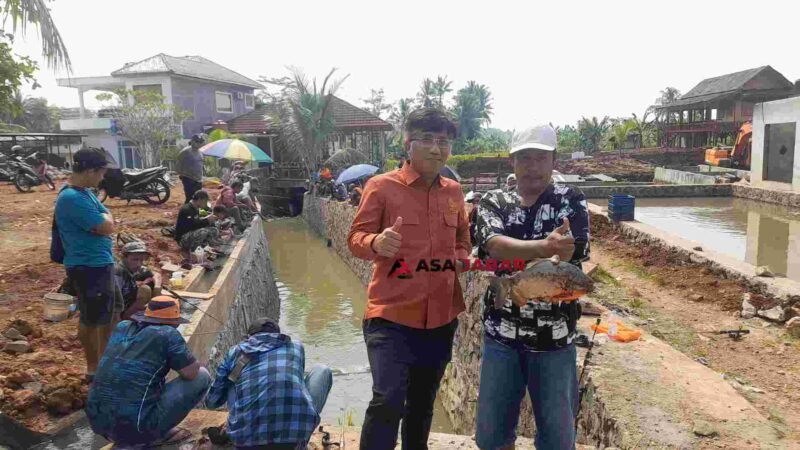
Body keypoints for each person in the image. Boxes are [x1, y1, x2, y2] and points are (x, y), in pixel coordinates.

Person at [348, 107, 471, 450]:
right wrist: (377, 242)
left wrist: (461, 256)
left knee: (422, 403)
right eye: (427, 139)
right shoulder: (381, 187)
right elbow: (355, 238)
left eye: (444, 141)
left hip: (441, 318)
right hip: (391, 316)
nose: (436, 148)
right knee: (387, 400)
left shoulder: (454, 192)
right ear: (408, 144)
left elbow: (463, 237)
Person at [472, 125, 590, 450]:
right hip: (501, 336)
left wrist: (558, 251)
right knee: (492, 437)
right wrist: (544, 248)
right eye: (525, 158)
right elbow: (493, 244)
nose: (533, 166)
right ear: (512, 161)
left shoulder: (571, 200)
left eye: (541, 158)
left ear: (554, 160)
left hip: (555, 340)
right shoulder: (494, 201)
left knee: (557, 440)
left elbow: (576, 250)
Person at [86, 295, 211, 447]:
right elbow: (191, 373)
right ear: (174, 322)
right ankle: (151, 435)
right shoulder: (167, 333)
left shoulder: (122, 326)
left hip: (98, 425)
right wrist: (196, 362)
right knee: (202, 376)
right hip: (135, 429)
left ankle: (134, 433)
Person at [206, 317, 333, 450]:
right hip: (294, 444)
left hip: (246, 443)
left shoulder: (236, 352)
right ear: (278, 335)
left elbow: (212, 402)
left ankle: (243, 424)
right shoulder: (296, 347)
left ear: (250, 337)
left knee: (232, 379)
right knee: (322, 371)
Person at [54, 147, 121, 382]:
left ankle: (106, 361)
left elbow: (106, 215)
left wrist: (106, 218)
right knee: (92, 319)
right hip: (88, 266)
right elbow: (106, 225)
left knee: (110, 314)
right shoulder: (71, 198)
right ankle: (94, 369)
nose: (102, 178)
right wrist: (106, 220)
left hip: (101, 262)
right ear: (91, 170)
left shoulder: (85, 193)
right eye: (101, 173)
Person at [115, 241, 161, 321]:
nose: (139, 264)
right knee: (145, 290)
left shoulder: (134, 268)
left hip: (128, 306)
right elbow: (113, 301)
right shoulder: (118, 273)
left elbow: (157, 275)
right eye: (135, 259)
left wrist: (157, 288)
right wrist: (119, 323)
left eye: (141, 260)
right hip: (118, 312)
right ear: (124, 258)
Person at [175, 190, 220, 257]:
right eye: (205, 201)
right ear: (199, 199)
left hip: (193, 233)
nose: (206, 204)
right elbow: (193, 225)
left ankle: (210, 248)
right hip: (183, 237)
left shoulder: (198, 208)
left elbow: (205, 218)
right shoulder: (187, 209)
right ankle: (193, 251)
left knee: (213, 230)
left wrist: (211, 219)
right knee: (203, 231)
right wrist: (207, 220)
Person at [176, 134, 206, 203]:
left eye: (200, 142)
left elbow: (201, 163)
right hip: (188, 178)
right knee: (189, 198)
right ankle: (186, 209)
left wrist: (203, 171)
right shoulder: (186, 151)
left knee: (198, 198)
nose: (198, 143)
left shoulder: (200, 152)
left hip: (198, 179)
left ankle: (196, 209)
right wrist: (181, 174)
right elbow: (179, 162)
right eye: (197, 141)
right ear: (192, 141)